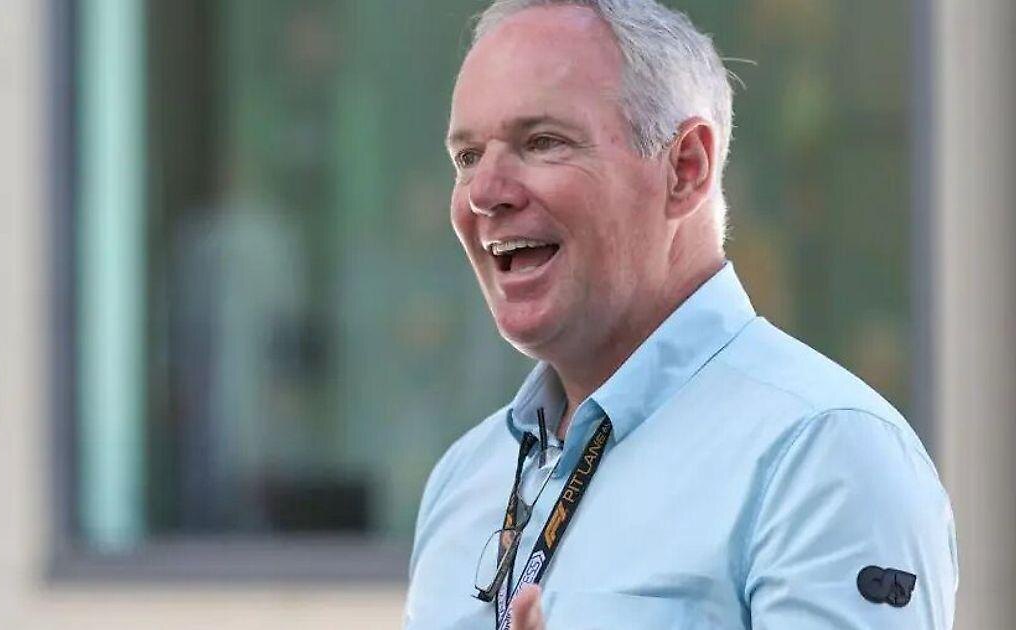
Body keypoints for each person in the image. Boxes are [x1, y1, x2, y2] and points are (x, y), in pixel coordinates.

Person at [403, 1, 957, 628]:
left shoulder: (825, 454)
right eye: (468, 157)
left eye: (542, 142)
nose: (484, 193)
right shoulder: (465, 478)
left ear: (685, 169)